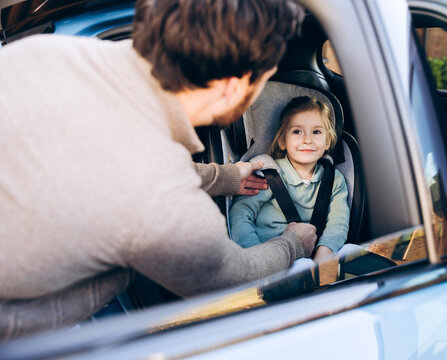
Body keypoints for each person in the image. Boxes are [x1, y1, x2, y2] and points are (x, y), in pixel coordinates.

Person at [0, 0, 317, 341]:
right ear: (233, 87)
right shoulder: (160, 203)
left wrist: (224, 177)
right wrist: (293, 244)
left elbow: (119, 159)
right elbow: (230, 278)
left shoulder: (44, 53)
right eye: (262, 82)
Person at [230, 96, 350, 262]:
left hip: (315, 256)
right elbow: (240, 214)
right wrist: (256, 255)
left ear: (328, 141)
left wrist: (325, 250)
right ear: (282, 141)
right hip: (272, 256)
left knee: (355, 253)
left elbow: (338, 222)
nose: (307, 139)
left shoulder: (334, 179)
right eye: (297, 131)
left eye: (316, 132)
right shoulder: (270, 174)